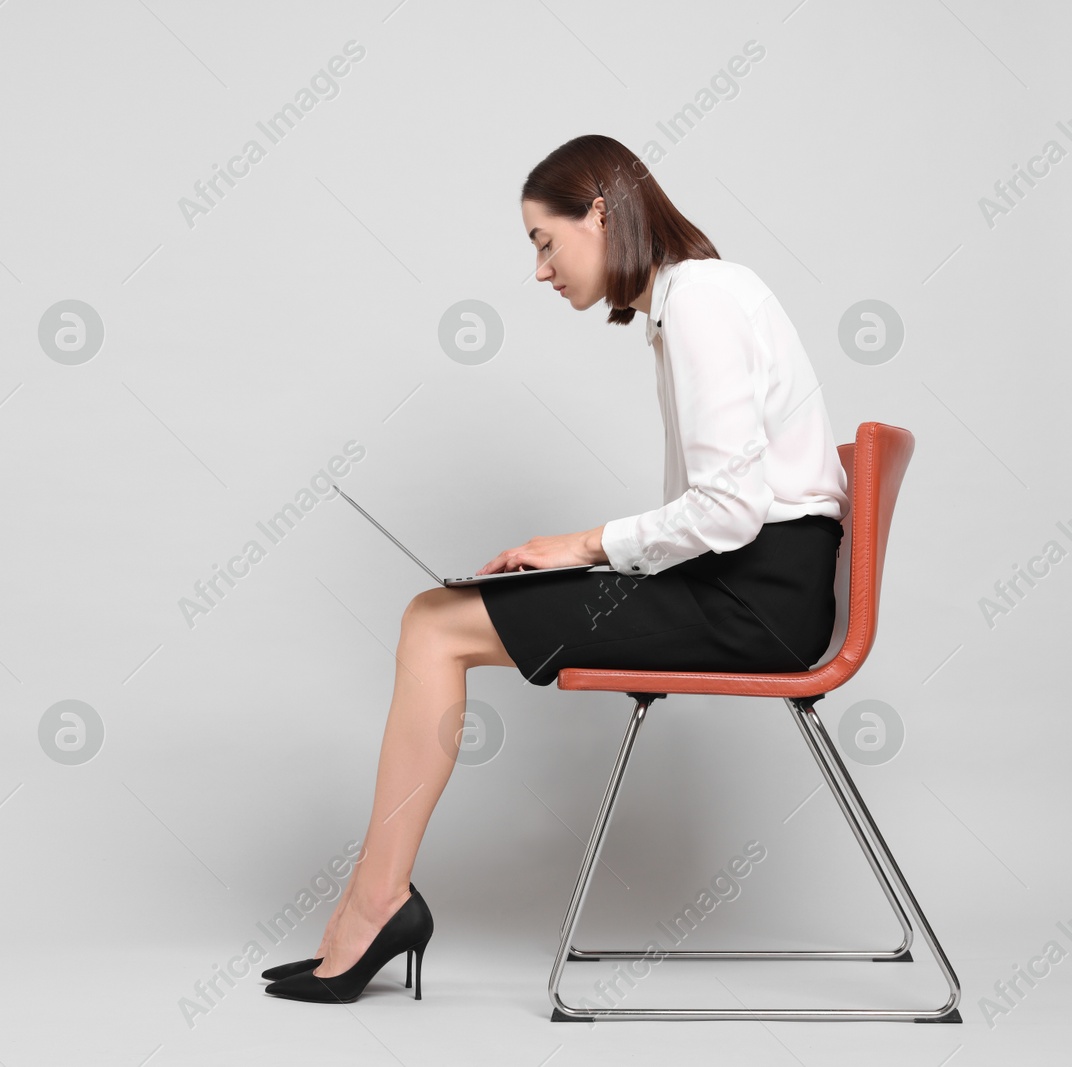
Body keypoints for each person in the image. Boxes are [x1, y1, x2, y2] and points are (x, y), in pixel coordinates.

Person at [262, 134, 850, 1004]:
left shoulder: (700, 300)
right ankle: (372, 903)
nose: (540, 270)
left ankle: (376, 905)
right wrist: (585, 553)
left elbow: (729, 511)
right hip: (752, 586)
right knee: (442, 609)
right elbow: (730, 507)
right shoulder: (697, 298)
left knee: (433, 621)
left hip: (753, 601)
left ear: (602, 214)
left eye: (545, 240)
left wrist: (581, 545)